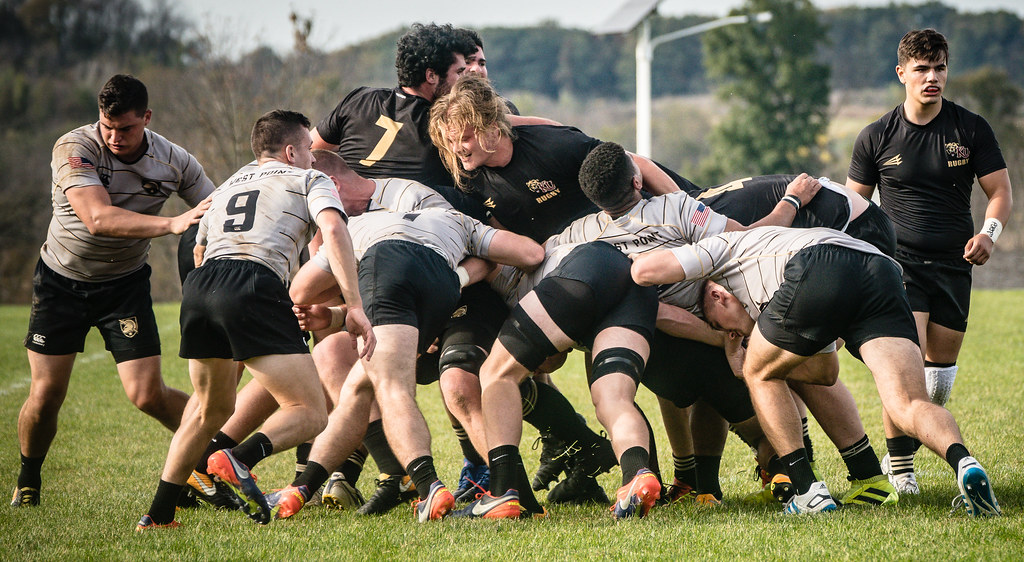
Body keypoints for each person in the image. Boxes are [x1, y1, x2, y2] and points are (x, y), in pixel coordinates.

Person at [630, 226, 1002, 517]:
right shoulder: (776, 291)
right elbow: (824, 373)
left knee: (760, 372)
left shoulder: (717, 252)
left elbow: (645, 270)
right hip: (880, 269)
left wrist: (618, 261)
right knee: (908, 402)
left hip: (816, 264)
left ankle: (808, 491)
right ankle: (963, 463)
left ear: (718, 296)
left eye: (723, 327)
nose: (734, 335)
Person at [135, 109, 374, 530]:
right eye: (308, 151)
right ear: (289, 151)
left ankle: (158, 514)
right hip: (253, 284)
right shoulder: (308, 179)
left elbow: (197, 247)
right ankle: (236, 458)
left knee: (207, 410)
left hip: (201, 285)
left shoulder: (230, 183)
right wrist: (354, 306)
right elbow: (335, 233)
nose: (313, 159)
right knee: (310, 411)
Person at [266, 205, 545, 522]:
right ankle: (302, 487)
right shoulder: (456, 219)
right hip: (442, 281)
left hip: (386, 261)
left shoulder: (358, 223)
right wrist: (461, 274)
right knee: (359, 386)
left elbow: (301, 290)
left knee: (391, 386)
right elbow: (531, 254)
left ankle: (428, 488)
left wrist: (342, 279)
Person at [13, 74, 214, 508]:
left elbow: (213, 208)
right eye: (107, 126)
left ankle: (218, 464)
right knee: (46, 396)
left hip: (123, 286)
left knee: (148, 395)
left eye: (125, 128)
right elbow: (99, 218)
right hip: (60, 282)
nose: (115, 137)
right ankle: (28, 478)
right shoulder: (75, 148)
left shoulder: (174, 160)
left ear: (147, 117)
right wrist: (173, 223)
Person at [846, 28, 1013, 496]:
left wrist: (989, 234)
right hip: (901, 270)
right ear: (902, 73)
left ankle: (907, 445)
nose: (932, 77)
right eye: (921, 69)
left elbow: (999, 192)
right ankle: (902, 470)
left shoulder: (971, 128)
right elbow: (851, 209)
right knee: (907, 373)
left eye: (939, 67)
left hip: (956, 269)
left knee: (936, 385)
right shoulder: (876, 136)